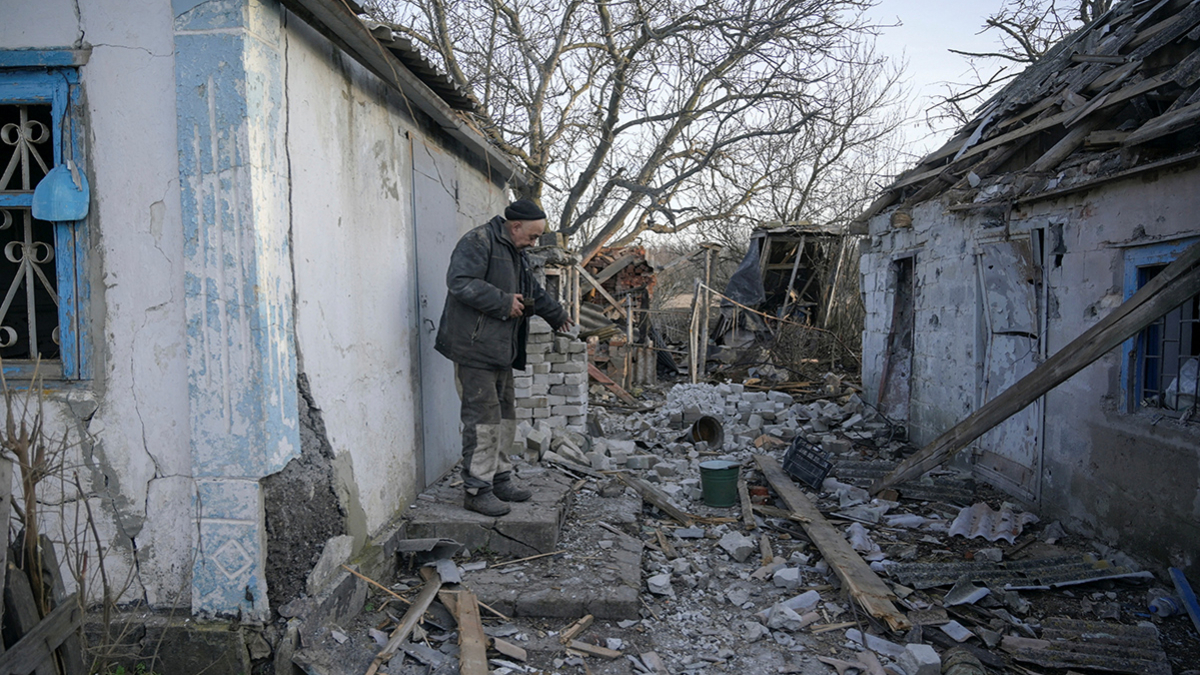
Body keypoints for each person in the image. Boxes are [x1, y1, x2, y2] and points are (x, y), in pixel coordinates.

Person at [435, 199, 573, 516]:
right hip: (474, 348)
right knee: (482, 421)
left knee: (505, 418)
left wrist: (557, 315)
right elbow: (459, 282)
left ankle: (499, 478)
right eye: (533, 236)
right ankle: (476, 489)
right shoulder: (478, 241)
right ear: (515, 227)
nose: (534, 242)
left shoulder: (515, 251)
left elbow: (532, 291)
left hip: (500, 349)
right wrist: (502, 301)